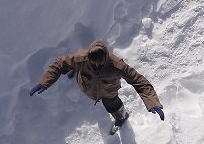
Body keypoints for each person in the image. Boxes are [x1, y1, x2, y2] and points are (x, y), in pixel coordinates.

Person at [29, 40, 165, 131]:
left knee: (113, 106)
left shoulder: (118, 66)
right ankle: (75, 70)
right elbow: (60, 63)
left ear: (106, 58)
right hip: (86, 85)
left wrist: (152, 102)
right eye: (93, 63)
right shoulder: (81, 58)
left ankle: (122, 117)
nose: (96, 66)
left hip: (109, 93)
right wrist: (45, 81)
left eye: (100, 64)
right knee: (75, 65)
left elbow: (139, 81)